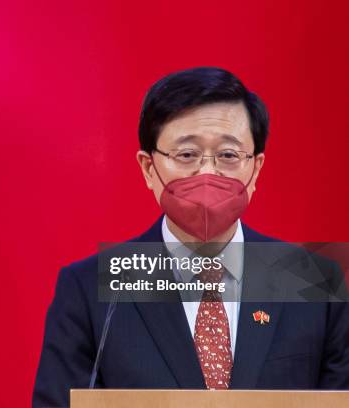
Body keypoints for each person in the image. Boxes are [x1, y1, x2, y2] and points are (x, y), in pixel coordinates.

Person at [32, 67, 349, 407]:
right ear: (149, 169)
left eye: (228, 155)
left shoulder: (313, 281)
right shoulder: (91, 288)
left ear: (256, 169)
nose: (208, 173)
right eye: (186, 155)